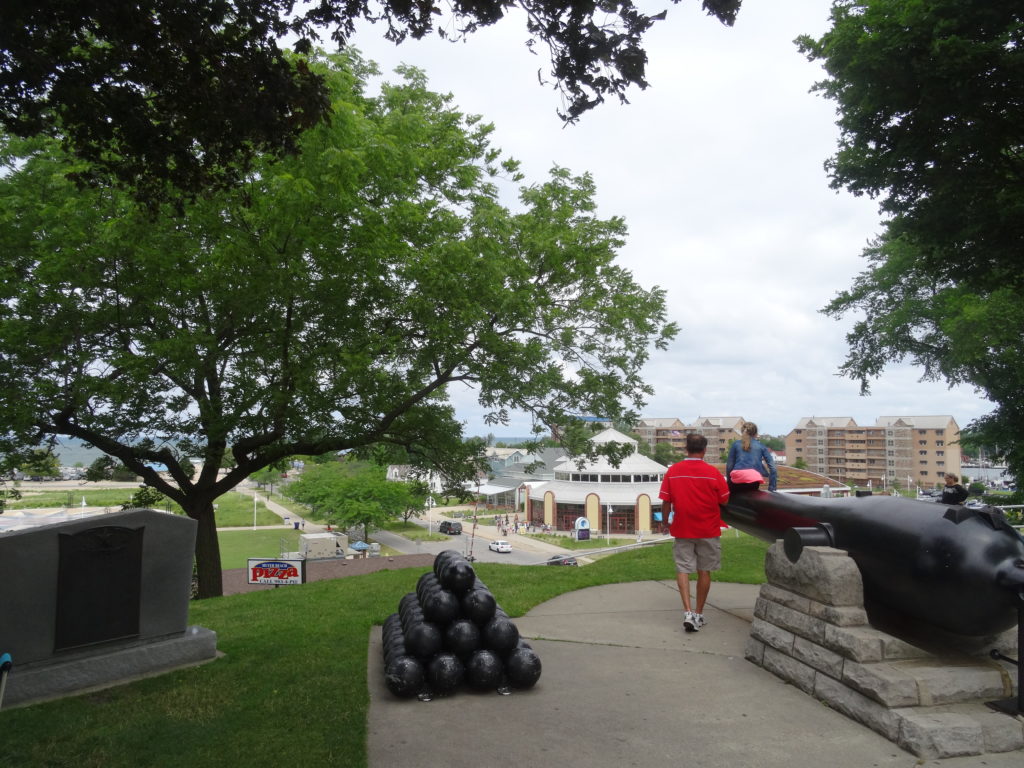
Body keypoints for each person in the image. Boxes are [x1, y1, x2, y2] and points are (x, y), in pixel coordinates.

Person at [659, 433, 730, 632]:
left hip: (683, 527)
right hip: (708, 528)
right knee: (704, 570)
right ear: (704, 450)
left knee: (683, 568)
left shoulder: (673, 471)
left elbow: (666, 501)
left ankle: (687, 612)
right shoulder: (713, 473)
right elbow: (724, 500)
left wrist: (665, 523)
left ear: (686, 449)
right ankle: (698, 614)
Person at [726, 421, 777, 492]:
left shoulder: (735, 444)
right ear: (755, 434)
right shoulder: (761, 446)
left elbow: (729, 466)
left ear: (742, 432)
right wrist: (772, 488)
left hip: (737, 479)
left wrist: (729, 484)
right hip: (753, 479)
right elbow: (773, 468)